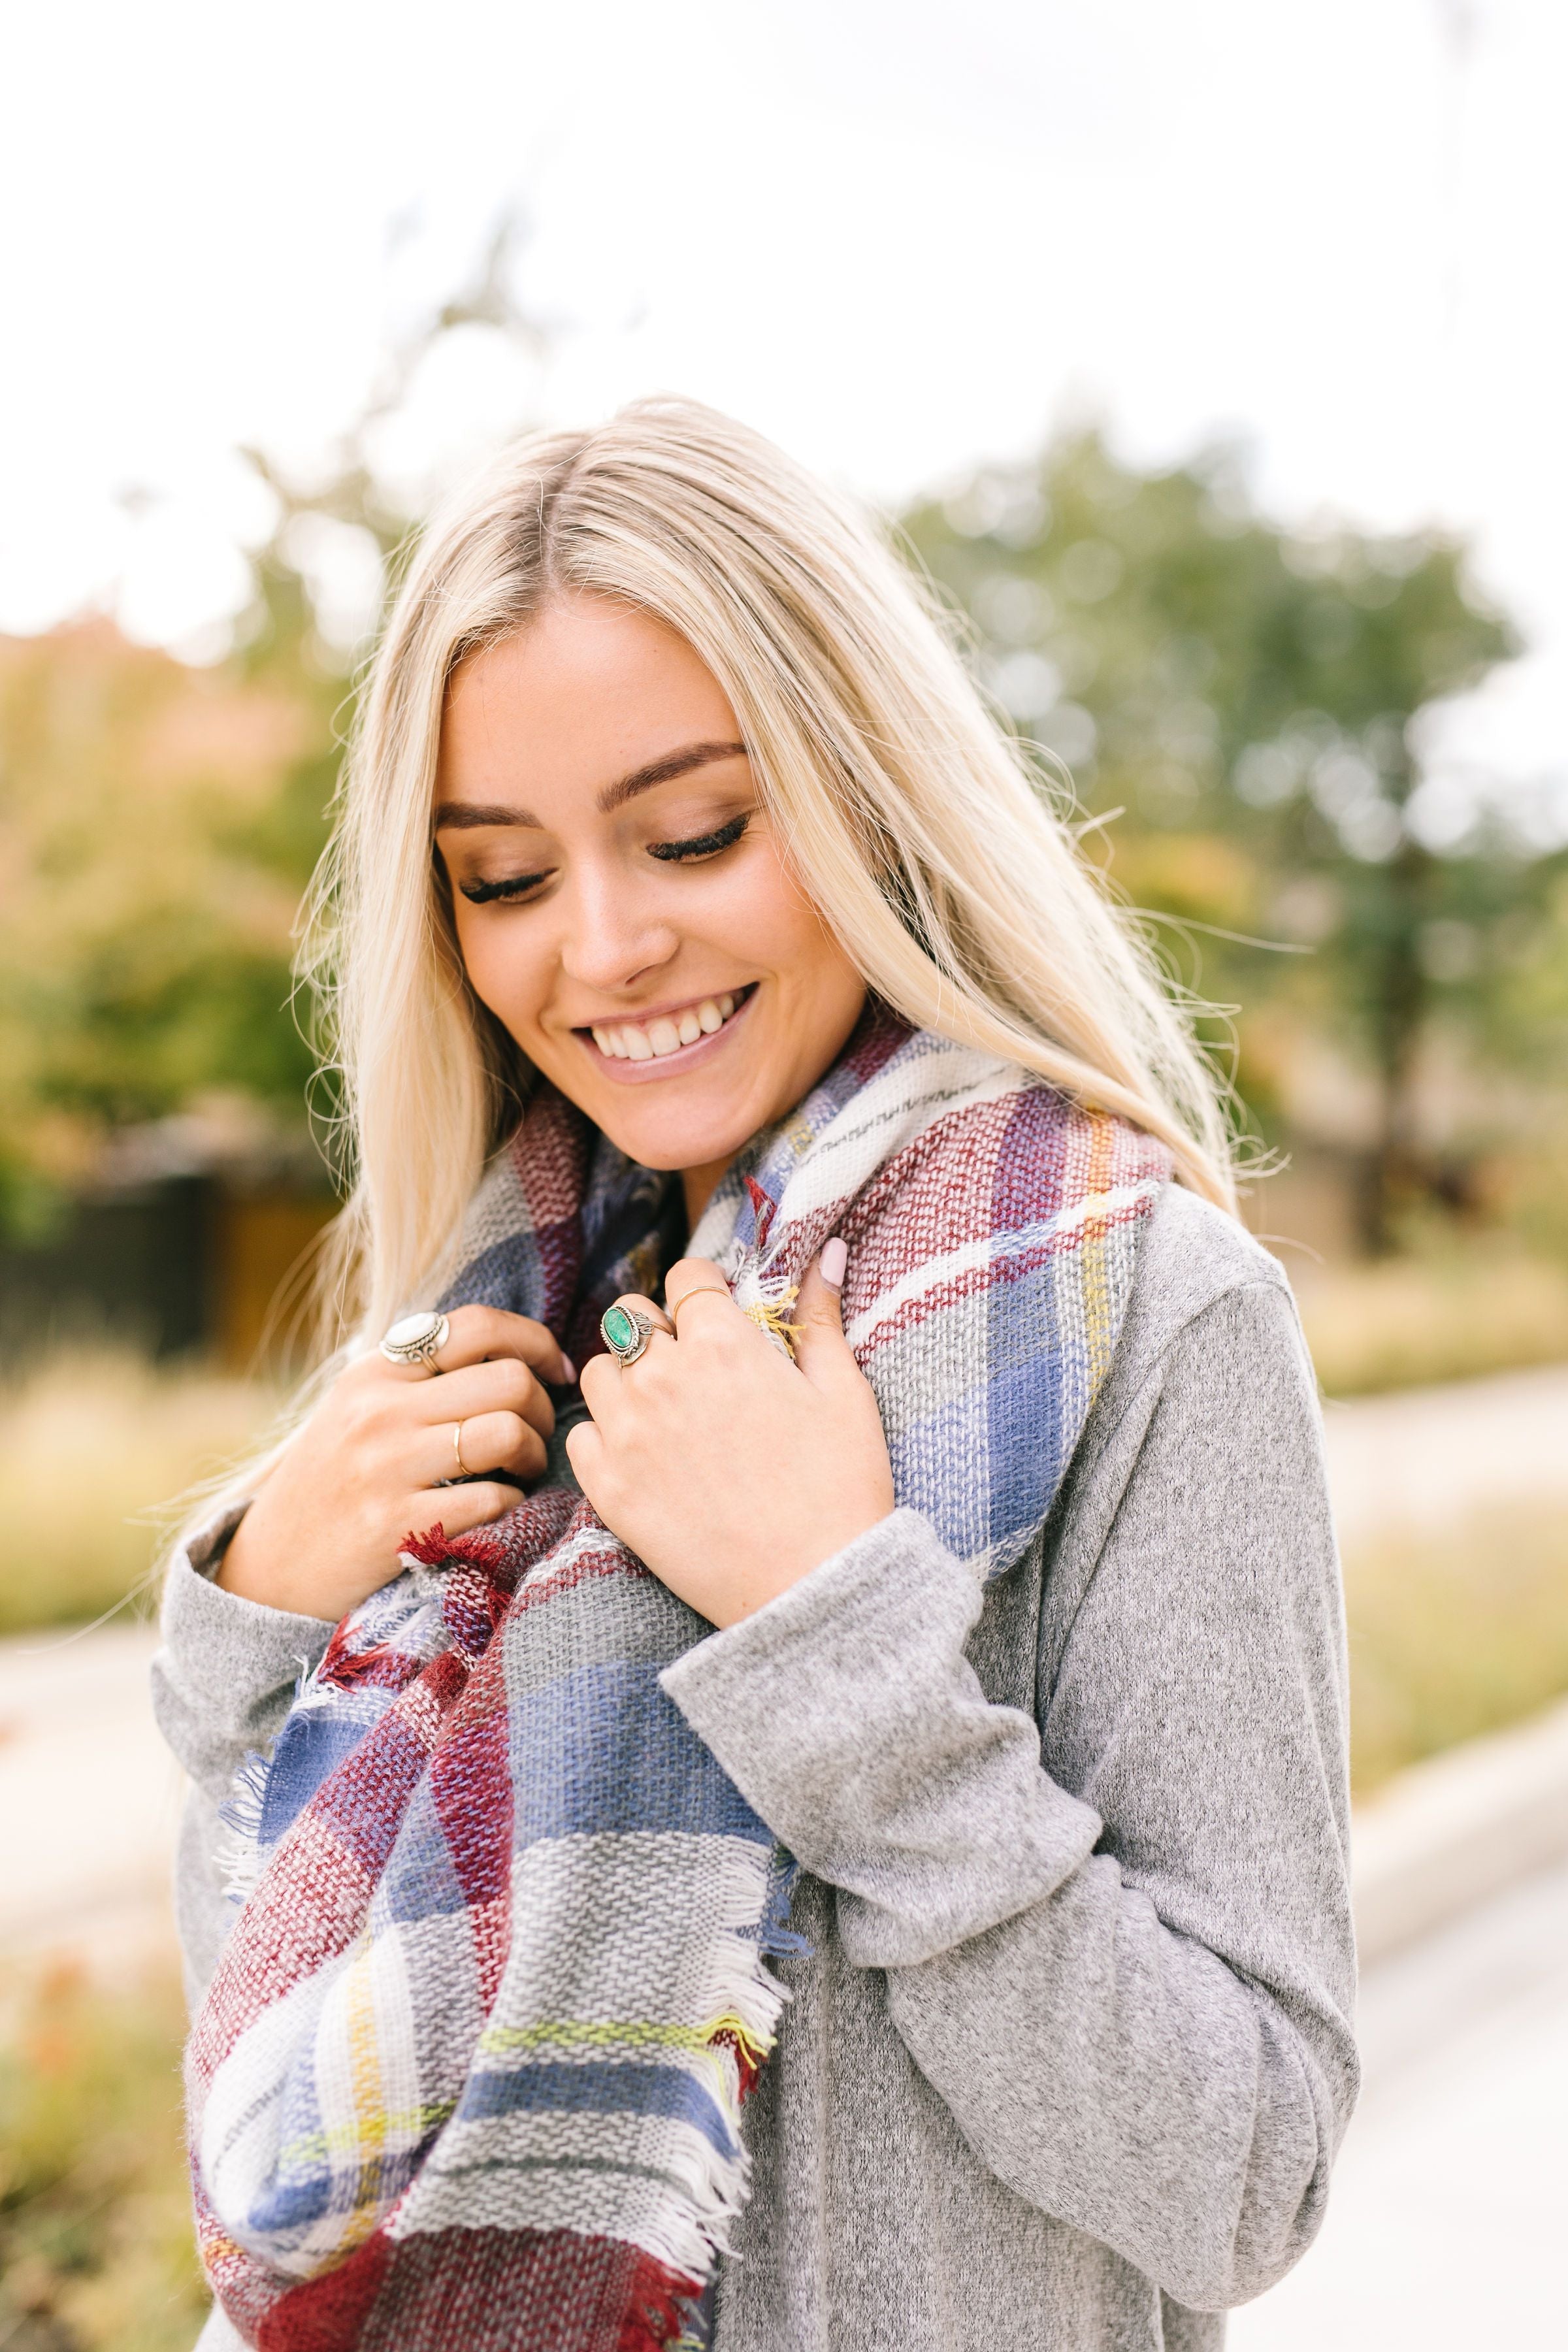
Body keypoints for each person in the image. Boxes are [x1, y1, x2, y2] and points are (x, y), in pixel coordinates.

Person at [152, 399, 1355, 2352]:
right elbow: (275, 2138)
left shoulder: (1149, 1316)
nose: (608, 948)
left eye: (697, 832)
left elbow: (1244, 2175)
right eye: (504, 878)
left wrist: (836, 1644)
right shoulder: (477, 1343)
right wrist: (251, 1638)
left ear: (864, 791)